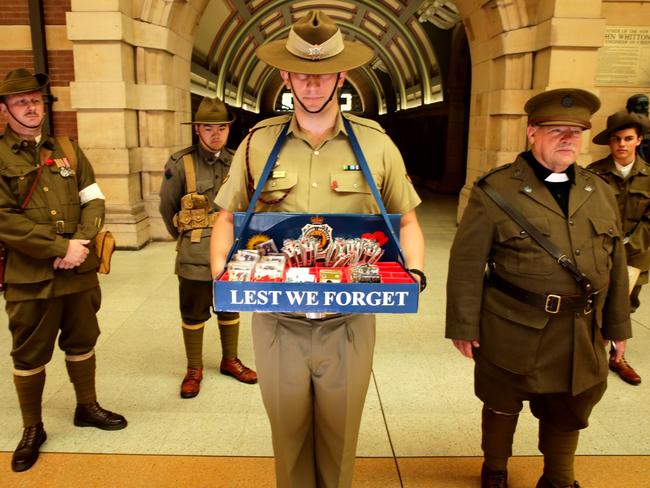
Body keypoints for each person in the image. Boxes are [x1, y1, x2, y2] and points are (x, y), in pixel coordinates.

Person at [210, 11, 425, 488]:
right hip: (278, 325)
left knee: (339, 442)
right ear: (285, 75)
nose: (311, 84)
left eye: (323, 73)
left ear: (341, 75)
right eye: (301, 73)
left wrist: (413, 273)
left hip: (347, 325)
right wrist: (222, 276)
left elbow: (407, 221)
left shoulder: (376, 146)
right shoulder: (256, 144)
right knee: (287, 443)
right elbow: (225, 218)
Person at [446, 88, 631, 488]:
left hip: (579, 327)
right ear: (532, 132)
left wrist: (617, 327)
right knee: (501, 402)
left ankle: (558, 477)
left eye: (576, 131)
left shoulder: (598, 190)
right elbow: (466, 262)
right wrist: (463, 324)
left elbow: (615, 262)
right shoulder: (496, 191)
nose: (568, 138)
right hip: (513, 324)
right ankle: (495, 468)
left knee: (572, 400)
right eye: (556, 130)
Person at [0, 68, 127, 473]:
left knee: (83, 338)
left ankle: (86, 407)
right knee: (29, 351)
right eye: (21, 102)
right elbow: (3, 218)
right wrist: (58, 247)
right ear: (4, 110)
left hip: (78, 270)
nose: (31, 107)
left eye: (36, 99)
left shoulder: (68, 149)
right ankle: (32, 428)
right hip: (29, 276)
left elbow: (94, 197)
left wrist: (81, 244)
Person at [159, 96, 257, 398]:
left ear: (229, 130)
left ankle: (230, 360)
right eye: (208, 128)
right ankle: (194, 368)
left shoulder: (239, 161)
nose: (216, 134)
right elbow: (167, 208)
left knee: (230, 308)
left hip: (232, 252)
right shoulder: (180, 163)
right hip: (195, 254)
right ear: (197, 130)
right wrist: (188, 239)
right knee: (193, 312)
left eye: (222, 128)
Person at [587, 110, 650, 386]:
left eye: (628, 138)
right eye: (616, 139)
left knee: (625, 304)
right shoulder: (594, 175)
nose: (621, 144)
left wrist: (629, 246)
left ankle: (617, 356)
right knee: (596, 303)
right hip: (600, 253)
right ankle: (592, 354)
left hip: (636, 256)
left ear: (639, 141)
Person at [625, 93, 650, 161]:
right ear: (630, 108)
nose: (644, 107)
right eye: (640, 104)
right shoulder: (623, 128)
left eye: (646, 104)